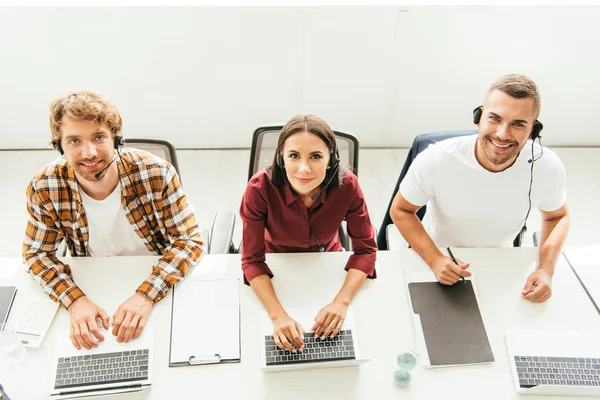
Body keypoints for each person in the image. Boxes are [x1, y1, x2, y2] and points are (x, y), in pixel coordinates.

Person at [23, 89, 204, 350]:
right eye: (74, 141)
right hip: (93, 282)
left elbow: (190, 240)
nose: (89, 153)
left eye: (99, 137)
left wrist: (145, 296)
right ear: (58, 145)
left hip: (158, 277)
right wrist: (75, 301)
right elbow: (36, 254)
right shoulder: (45, 185)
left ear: (116, 140)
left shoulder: (156, 172)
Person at [390, 74, 570, 303]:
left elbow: (558, 216)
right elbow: (401, 210)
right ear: (479, 117)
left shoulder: (547, 167)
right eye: (495, 118)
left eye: (518, 124)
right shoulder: (437, 159)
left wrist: (546, 269)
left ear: (533, 129)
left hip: (500, 261)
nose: (502, 134)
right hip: (439, 256)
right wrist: (435, 259)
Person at [240, 114, 377, 352]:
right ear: (281, 158)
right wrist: (278, 317)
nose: (304, 169)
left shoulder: (348, 186)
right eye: (294, 156)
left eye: (315, 156)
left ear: (331, 160)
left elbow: (366, 250)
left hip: (328, 263)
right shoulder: (259, 188)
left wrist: (341, 303)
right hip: (276, 265)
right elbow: (251, 259)